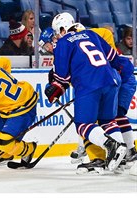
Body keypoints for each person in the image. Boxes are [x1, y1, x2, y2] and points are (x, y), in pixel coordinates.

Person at [44, 12, 128, 172]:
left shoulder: (63, 43)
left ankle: (111, 146)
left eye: (57, 32)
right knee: (108, 121)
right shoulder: (91, 34)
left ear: (62, 29)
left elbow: (62, 76)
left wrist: (55, 87)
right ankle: (120, 154)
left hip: (88, 84)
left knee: (83, 124)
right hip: (111, 81)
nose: (57, 36)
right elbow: (114, 57)